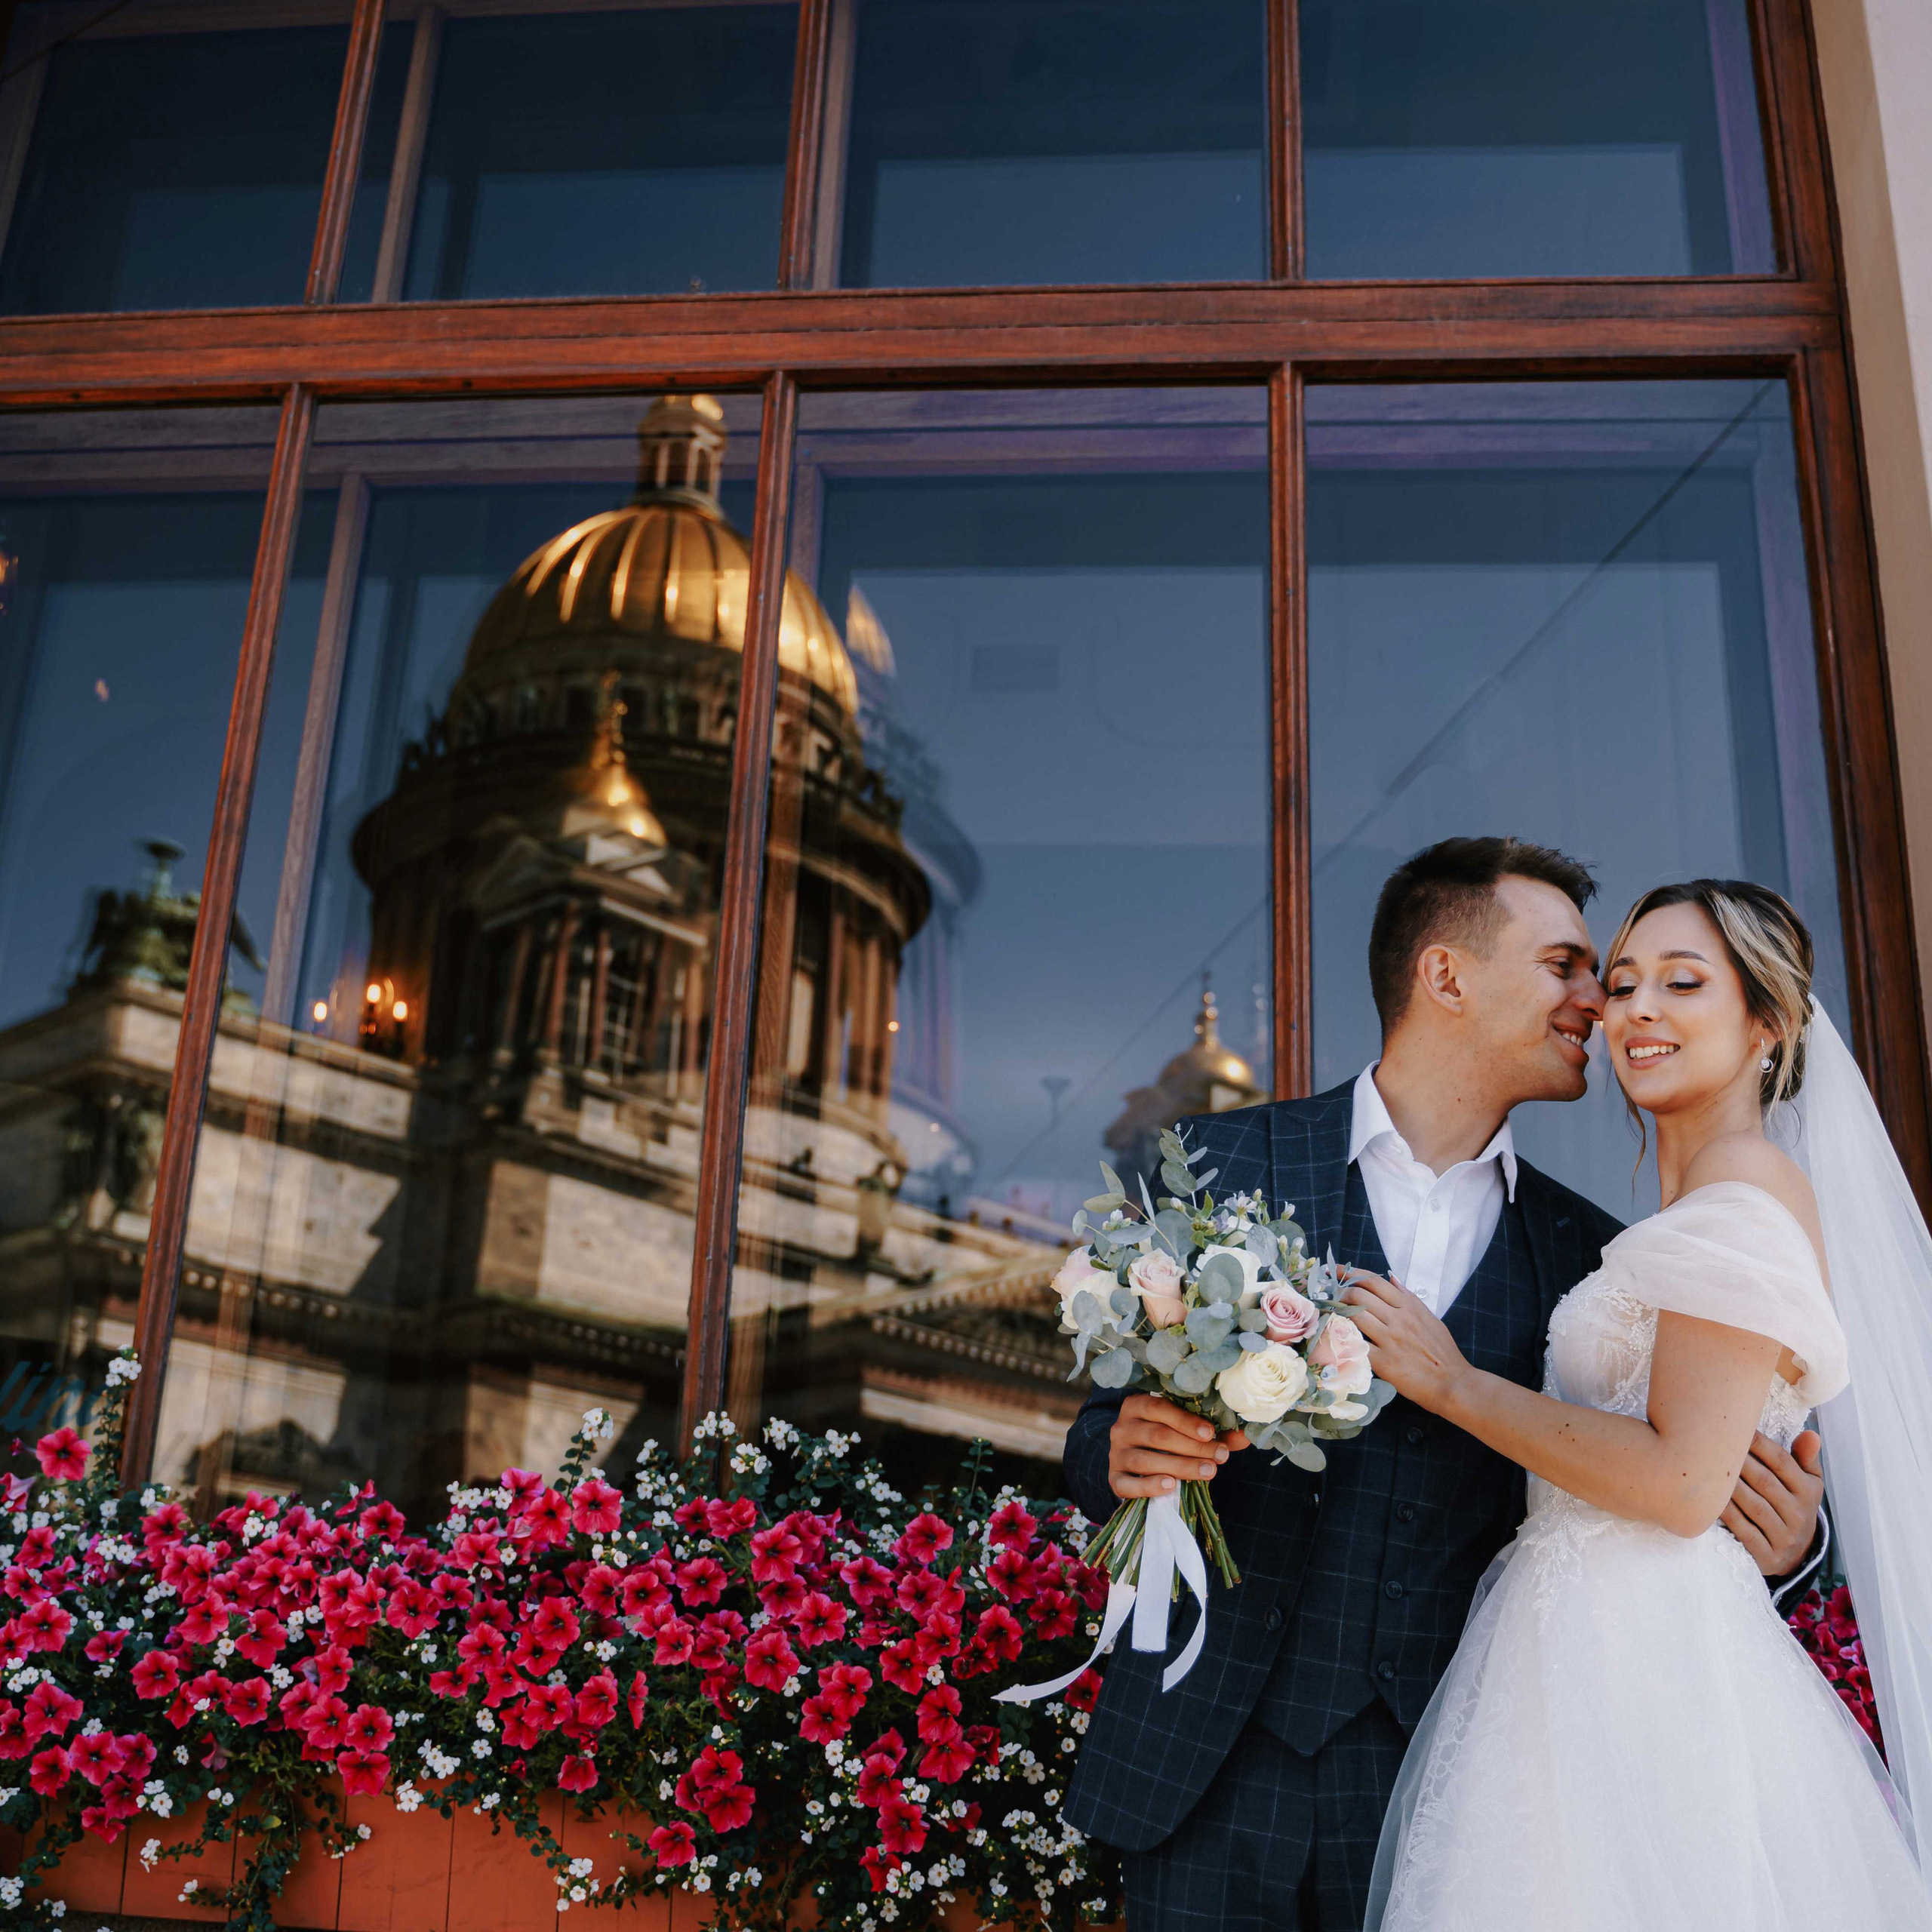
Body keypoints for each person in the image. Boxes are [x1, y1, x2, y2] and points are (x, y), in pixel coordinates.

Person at [1057, 839, 1826, 1932]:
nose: (1597, 1002)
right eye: (1568, 966)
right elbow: (1092, 1430)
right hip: (1205, 1769)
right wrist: (1119, 1452)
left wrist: (1795, 1544)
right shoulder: (1217, 1166)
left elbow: (1679, 1462)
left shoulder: (1597, 1260)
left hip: (1448, 1783)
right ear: (1448, 976)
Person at [1347, 878, 1932, 1928]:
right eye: (1621, 985)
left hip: (1647, 1665)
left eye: (1683, 982)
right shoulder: (1683, 1209)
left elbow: (1677, 1483)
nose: (1637, 1009)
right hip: (1574, 1652)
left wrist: (1452, 1383)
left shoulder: (1743, 1193)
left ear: (1769, 1022)